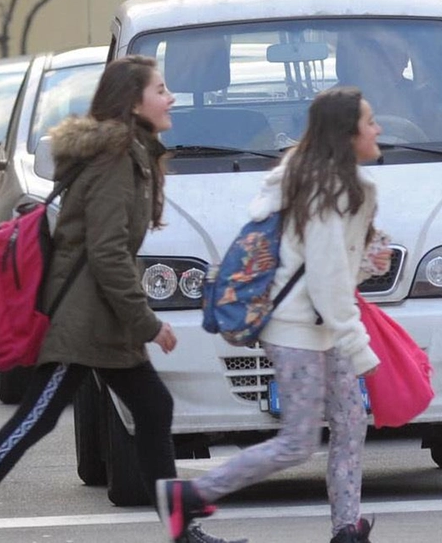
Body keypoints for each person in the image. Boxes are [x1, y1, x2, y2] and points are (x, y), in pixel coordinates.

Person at [0, 55, 237, 543]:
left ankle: (183, 534)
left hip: (103, 321)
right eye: (160, 89)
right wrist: (148, 323)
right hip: (81, 321)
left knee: (154, 408)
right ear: (134, 103)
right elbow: (108, 252)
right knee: (35, 420)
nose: (170, 97)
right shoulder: (116, 158)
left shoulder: (132, 153)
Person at [156, 86, 384, 543]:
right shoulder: (324, 190)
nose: (378, 129)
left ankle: (346, 528)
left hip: (323, 326)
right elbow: (323, 279)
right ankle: (191, 494)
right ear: (347, 133)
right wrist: (361, 348)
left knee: (351, 419)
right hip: (296, 329)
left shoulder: (345, 187)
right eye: (370, 121)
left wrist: (365, 262)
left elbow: (332, 267)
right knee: (298, 441)